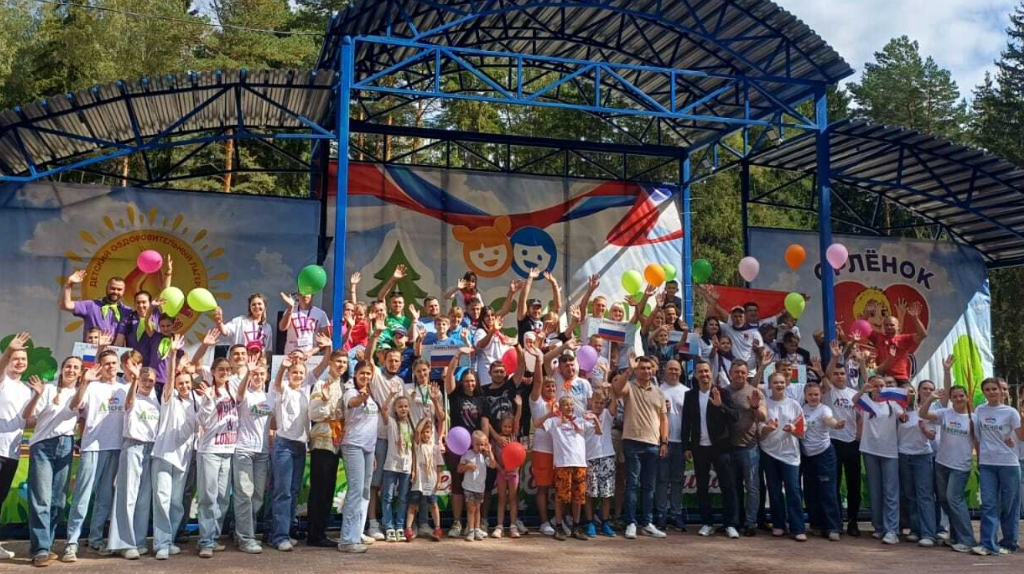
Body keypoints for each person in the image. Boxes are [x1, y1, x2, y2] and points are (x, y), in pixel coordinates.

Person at [63, 348, 130, 561]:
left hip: (115, 447)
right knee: (83, 496)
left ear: (119, 365)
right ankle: (72, 542)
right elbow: (75, 405)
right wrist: (84, 382)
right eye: (106, 363)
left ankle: (95, 539)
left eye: (113, 363)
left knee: (105, 497)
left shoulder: (125, 388)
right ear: (100, 366)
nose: (111, 366)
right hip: (92, 447)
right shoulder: (92, 387)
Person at [22, 353, 83, 566]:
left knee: (58, 500)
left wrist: (86, 383)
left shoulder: (80, 392)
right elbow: (27, 416)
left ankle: (45, 544)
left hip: (66, 444)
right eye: (68, 366)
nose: (71, 370)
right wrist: (37, 395)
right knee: (41, 498)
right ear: (62, 369)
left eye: (76, 368)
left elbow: (75, 405)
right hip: (43, 445)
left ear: (80, 373)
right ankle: (40, 549)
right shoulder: (47, 389)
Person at [107, 362, 161, 559]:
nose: (147, 383)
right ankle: (123, 543)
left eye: (151, 381)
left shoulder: (155, 401)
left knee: (143, 497)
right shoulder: (132, 396)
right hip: (133, 446)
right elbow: (129, 402)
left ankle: (138, 540)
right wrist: (135, 380)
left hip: (150, 448)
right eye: (144, 380)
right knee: (127, 494)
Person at [612, 355, 669, 539]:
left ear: (653, 370)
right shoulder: (629, 386)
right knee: (632, 484)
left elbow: (663, 419)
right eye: (642, 368)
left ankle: (647, 523)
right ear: (636, 371)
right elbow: (616, 388)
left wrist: (664, 441)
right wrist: (628, 370)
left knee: (648, 486)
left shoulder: (658, 392)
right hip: (632, 441)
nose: (646, 371)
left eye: (648, 368)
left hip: (653, 443)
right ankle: (630, 522)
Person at [682, 359, 739, 539]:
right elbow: (686, 422)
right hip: (699, 448)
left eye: (706, 371)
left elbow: (735, 417)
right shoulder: (690, 395)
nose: (704, 374)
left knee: (728, 486)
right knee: (702, 487)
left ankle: (730, 524)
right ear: (695, 375)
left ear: (711, 373)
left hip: (721, 448)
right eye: (700, 372)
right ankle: (707, 523)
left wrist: (720, 405)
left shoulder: (722, 392)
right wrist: (686, 446)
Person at [150, 350, 199, 560]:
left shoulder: (196, 401)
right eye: (181, 383)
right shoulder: (169, 399)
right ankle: (160, 543)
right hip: (163, 455)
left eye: (187, 383)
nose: (185, 386)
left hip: (184, 458)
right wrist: (171, 358)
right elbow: (169, 380)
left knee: (176, 502)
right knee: (162, 499)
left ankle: (169, 540)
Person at [919, 379, 976, 553]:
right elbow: (923, 414)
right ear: (950, 399)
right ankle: (955, 536)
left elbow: (979, 442)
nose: (958, 399)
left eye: (961, 396)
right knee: (944, 500)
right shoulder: (945, 413)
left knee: (954, 500)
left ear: (967, 397)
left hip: (961, 466)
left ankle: (968, 540)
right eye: (955, 396)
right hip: (942, 463)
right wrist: (931, 398)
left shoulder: (974, 418)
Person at [970, 377, 1023, 556]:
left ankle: (1009, 542)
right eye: (987, 389)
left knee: (1009, 505)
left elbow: (1021, 436)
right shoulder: (980, 410)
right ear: (984, 392)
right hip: (987, 464)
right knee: (988, 504)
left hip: (1008, 463)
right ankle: (988, 544)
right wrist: (979, 458)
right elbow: (977, 438)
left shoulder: (1011, 412)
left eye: (994, 389)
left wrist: (1022, 420)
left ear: (1001, 391)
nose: (991, 392)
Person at [538, 395, 601, 541]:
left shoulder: (580, 421)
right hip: (562, 464)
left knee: (578, 497)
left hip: (579, 463)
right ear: (560, 407)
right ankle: (559, 526)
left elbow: (599, 431)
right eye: (566, 405)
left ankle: (576, 526)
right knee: (561, 497)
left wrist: (595, 418)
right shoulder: (554, 422)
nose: (569, 407)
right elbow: (537, 424)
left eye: (571, 405)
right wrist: (549, 414)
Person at [195, 357, 238, 558]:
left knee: (222, 499)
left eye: (227, 369)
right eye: (220, 369)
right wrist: (209, 400)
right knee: (208, 498)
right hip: (210, 450)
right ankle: (205, 541)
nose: (224, 372)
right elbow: (202, 420)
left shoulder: (232, 391)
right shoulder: (208, 392)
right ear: (212, 371)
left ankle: (213, 537)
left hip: (228, 451)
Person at [0, 334, 38, 561]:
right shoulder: (3, 380)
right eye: (15, 358)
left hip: (12, 452)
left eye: (23, 358)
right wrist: (7, 351)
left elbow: (29, 421)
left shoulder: (27, 389)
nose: (20, 362)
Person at [269, 356, 312, 552]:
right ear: (289, 374)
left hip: (300, 446)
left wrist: (327, 349)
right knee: (283, 492)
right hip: (283, 445)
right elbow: (277, 384)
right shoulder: (283, 388)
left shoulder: (305, 393)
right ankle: (279, 537)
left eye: (301, 373)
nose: (298, 375)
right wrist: (281, 368)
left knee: (293, 492)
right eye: (294, 372)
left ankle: (283, 532)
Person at [306, 348, 348, 547]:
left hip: (336, 441)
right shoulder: (321, 384)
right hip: (322, 440)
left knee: (328, 488)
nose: (341, 365)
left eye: (344, 362)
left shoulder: (344, 386)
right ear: (330, 363)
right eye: (338, 361)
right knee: (320, 489)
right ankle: (314, 534)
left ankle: (320, 531)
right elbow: (313, 414)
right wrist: (324, 402)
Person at [852, 376, 901, 544]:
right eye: (876, 386)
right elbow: (854, 401)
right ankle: (879, 527)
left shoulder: (893, 404)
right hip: (869, 450)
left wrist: (903, 416)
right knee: (875, 490)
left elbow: (902, 415)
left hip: (890, 452)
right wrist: (863, 389)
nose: (879, 388)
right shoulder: (866, 403)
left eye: (882, 385)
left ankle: (892, 530)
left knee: (890, 491)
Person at [821, 344, 863, 537]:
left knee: (854, 485)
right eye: (836, 374)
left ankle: (853, 521)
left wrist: (859, 435)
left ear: (847, 375)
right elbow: (827, 374)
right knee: (834, 484)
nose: (839, 376)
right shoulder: (828, 391)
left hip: (852, 443)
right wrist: (834, 358)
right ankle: (835, 521)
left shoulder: (853, 394)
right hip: (833, 442)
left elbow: (860, 417)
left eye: (842, 374)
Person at [338, 361, 380, 554]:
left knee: (364, 492)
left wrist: (373, 452)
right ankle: (347, 539)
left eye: (368, 374)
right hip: (353, 445)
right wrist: (361, 398)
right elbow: (352, 403)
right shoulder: (351, 392)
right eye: (362, 373)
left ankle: (357, 532)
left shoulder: (372, 396)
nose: (365, 377)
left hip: (369, 449)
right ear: (355, 374)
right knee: (355, 491)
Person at [443, 350, 486, 538]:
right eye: (467, 381)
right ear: (462, 382)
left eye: (473, 381)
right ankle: (456, 522)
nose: (470, 384)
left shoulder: (480, 399)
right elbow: (449, 376)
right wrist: (457, 356)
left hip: (475, 447)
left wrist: (484, 443)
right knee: (458, 483)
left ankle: (473, 524)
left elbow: (484, 422)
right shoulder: (456, 396)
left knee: (476, 484)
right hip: (456, 446)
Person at [232, 354, 272, 554]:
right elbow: (239, 395)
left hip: (262, 452)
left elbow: (272, 424)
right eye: (255, 374)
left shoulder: (270, 397)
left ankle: (242, 531)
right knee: (244, 495)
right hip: (244, 450)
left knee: (257, 497)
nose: (258, 377)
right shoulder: (245, 394)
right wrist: (247, 373)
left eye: (261, 374)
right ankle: (246, 538)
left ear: (266, 375)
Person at [759, 372, 806, 541]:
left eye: (781, 382)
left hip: (790, 454)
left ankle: (798, 527)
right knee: (774, 489)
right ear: (769, 385)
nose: (779, 385)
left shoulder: (794, 405)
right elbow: (760, 434)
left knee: (793, 490)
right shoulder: (765, 404)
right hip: (769, 452)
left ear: (786, 384)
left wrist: (793, 430)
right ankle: (778, 524)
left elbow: (802, 433)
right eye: (775, 382)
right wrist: (768, 429)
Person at [725, 360, 766, 536]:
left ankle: (750, 523)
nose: (740, 375)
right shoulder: (723, 392)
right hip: (728, 447)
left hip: (749, 447)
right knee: (732, 488)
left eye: (743, 372)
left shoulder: (755, 392)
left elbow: (763, 417)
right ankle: (734, 522)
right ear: (730, 373)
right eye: (736, 372)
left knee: (752, 487)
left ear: (747, 373)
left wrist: (755, 407)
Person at [800, 382, 844, 541]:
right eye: (810, 394)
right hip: (807, 455)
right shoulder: (802, 409)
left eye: (816, 394)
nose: (813, 397)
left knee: (827, 492)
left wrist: (836, 425)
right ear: (805, 395)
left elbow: (829, 420)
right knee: (811, 491)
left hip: (824, 454)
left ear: (821, 395)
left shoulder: (824, 409)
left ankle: (833, 527)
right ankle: (817, 524)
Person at [898, 380, 938, 547]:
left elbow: (932, 436)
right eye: (904, 393)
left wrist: (924, 430)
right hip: (903, 456)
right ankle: (915, 530)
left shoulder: (927, 411)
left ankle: (929, 533)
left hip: (922, 456)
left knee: (925, 495)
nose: (909, 395)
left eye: (911, 392)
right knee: (910, 495)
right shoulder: (898, 411)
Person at [655, 360, 689, 531]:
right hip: (662, 442)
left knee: (677, 480)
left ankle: (675, 514)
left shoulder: (687, 392)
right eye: (670, 369)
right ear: (665, 371)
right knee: (661, 479)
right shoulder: (658, 390)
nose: (673, 372)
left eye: (676, 369)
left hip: (680, 442)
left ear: (680, 372)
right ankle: (661, 514)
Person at [380, 392, 415, 542]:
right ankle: (389, 526)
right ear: (395, 409)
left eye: (406, 406)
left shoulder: (411, 426)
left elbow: (414, 448)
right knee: (387, 496)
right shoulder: (392, 423)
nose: (403, 409)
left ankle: (400, 525)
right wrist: (390, 396)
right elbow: (383, 409)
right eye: (400, 406)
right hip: (391, 465)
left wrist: (414, 469)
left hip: (406, 466)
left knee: (403, 497)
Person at [59, 270, 131, 341]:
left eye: (119, 289)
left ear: (124, 291)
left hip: (115, 348)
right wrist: (69, 283)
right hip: (91, 347)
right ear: (106, 288)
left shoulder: (127, 311)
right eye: (112, 288)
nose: (115, 292)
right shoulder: (91, 305)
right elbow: (65, 305)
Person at [583, 387, 617, 537]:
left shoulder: (607, 414)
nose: (598, 405)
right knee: (589, 493)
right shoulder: (584, 416)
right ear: (591, 402)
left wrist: (611, 388)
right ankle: (590, 522)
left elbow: (615, 401)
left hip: (607, 456)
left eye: (602, 403)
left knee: (606, 493)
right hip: (589, 457)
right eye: (596, 402)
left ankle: (605, 522)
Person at [867, 300, 927, 384]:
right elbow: (861, 327)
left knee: (909, 392)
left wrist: (915, 318)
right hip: (882, 378)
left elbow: (922, 335)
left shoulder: (903, 339)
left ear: (898, 327)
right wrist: (867, 313)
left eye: (892, 325)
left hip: (900, 378)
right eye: (886, 325)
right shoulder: (878, 337)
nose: (889, 327)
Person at [407, 417, 444, 542]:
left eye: (427, 432)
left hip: (431, 482)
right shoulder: (418, 445)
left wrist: (439, 481)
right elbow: (417, 431)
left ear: (431, 433)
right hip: (419, 482)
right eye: (423, 432)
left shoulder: (435, 448)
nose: (425, 434)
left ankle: (437, 528)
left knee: (433, 504)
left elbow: (439, 466)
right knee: (413, 504)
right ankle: (408, 529)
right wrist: (425, 418)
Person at [458, 431, 496, 542]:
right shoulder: (467, 454)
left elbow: (493, 465)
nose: (479, 447)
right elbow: (459, 469)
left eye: (482, 444)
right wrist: (467, 466)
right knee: (471, 509)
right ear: (472, 443)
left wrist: (490, 452)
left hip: (480, 487)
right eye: (477, 444)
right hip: (469, 486)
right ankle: (470, 530)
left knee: (478, 509)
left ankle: (477, 529)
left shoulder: (484, 456)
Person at [492, 408, 523, 539]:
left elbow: (517, 419)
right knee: (501, 499)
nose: (507, 429)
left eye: (509, 427)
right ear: (501, 426)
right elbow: (493, 457)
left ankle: (513, 525)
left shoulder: (514, 436)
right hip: (501, 472)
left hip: (513, 473)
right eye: (505, 426)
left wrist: (519, 406)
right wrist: (501, 469)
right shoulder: (496, 440)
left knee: (513, 499)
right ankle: (499, 526)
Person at [516, 267, 561, 345]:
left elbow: (557, 306)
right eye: (534, 308)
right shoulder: (524, 320)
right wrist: (530, 278)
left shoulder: (544, 321)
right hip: (526, 351)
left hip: (541, 351)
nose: (537, 310)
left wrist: (554, 284)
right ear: (528, 310)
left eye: (538, 308)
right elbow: (522, 300)